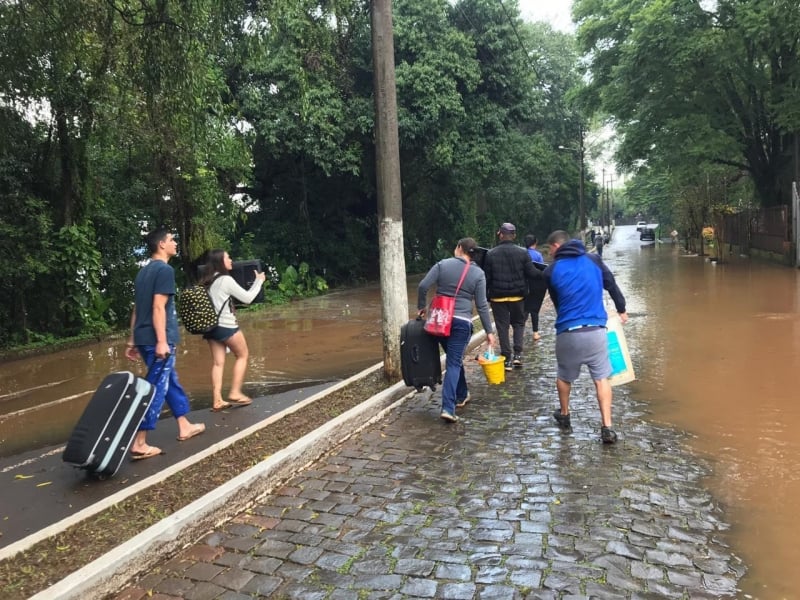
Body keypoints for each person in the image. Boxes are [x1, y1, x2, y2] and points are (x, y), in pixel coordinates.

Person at [125, 228, 206, 460]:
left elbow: (137, 308)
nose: (175, 243)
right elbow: (157, 308)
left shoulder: (143, 273)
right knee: (156, 387)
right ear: (161, 244)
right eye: (172, 240)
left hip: (143, 337)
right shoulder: (165, 270)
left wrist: (132, 339)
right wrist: (162, 341)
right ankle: (139, 442)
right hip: (158, 338)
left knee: (169, 380)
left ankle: (184, 425)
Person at [542, 230, 628, 444]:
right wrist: (621, 309)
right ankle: (607, 427)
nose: (550, 253)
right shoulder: (594, 260)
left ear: (556, 246)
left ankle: (564, 413)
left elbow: (556, 301)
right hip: (596, 331)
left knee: (564, 376)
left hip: (568, 333)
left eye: (550, 249)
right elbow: (611, 284)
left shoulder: (551, 270)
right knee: (601, 379)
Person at [418, 238, 497, 423]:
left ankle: (461, 395)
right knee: (454, 362)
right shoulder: (478, 274)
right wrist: (489, 331)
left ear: (459, 248)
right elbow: (482, 305)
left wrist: (421, 307)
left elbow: (423, 286)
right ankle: (448, 407)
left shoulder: (442, 265)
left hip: (439, 320)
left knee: (454, 360)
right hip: (461, 322)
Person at [199, 249, 266, 411]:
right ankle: (235, 392)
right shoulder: (225, 280)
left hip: (211, 328)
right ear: (221, 262)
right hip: (226, 326)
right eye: (228, 258)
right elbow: (248, 299)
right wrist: (259, 281)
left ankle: (217, 400)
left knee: (218, 363)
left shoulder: (208, 281)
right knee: (242, 355)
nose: (231, 260)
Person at [483, 223, 543, 371]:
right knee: (518, 324)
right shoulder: (523, 253)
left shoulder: (491, 254)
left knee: (502, 327)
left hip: (498, 298)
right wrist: (546, 273)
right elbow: (532, 273)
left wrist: (485, 296)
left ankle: (507, 360)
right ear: (514, 236)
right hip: (518, 297)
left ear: (500, 235)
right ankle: (518, 355)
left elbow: (486, 278)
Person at [523, 234, 547, 342]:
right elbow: (541, 269)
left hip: (523, 284)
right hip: (536, 285)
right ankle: (535, 332)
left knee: (524, 308)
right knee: (534, 310)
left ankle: (520, 330)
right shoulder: (537, 255)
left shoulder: (522, 254)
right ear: (535, 243)